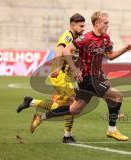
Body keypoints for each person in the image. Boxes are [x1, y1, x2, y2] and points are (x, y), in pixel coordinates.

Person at [31, 11, 131, 141]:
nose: (107, 25)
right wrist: (75, 69)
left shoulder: (106, 38)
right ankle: (112, 130)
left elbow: (110, 56)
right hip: (87, 78)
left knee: (74, 109)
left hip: (96, 77)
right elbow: (66, 50)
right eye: (105, 23)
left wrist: (126, 49)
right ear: (97, 23)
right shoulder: (86, 38)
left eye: (108, 23)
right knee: (118, 96)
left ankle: (41, 117)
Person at [16, 13, 85, 143]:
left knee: (62, 106)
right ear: (72, 25)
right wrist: (58, 68)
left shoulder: (78, 38)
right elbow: (60, 50)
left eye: (84, 26)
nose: (83, 28)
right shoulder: (67, 37)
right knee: (72, 104)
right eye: (80, 26)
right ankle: (67, 135)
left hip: (67, 76)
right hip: (60, 75)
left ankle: (31, 102)